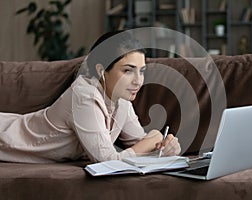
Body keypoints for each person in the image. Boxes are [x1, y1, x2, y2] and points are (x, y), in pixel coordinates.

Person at [0, 30, 181, 163]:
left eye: (141, 72)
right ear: (102, 71)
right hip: (5, 137)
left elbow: (141, 143)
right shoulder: (83, 95)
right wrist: (153, 139)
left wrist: (164, 146)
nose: (138, 81)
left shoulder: (121, 99)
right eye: (128, 71)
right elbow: (109, 161)